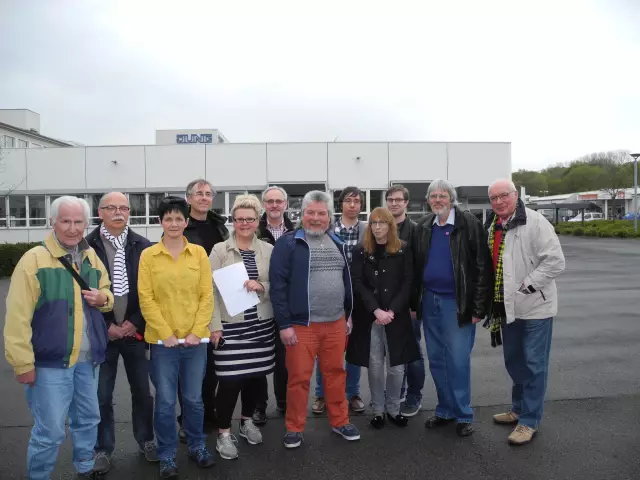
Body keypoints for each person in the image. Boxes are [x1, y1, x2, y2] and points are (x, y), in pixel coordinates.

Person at [4, 196, 114, 479]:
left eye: (78, 221)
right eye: (65, 220)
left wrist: (103, 298)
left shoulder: (91, 257)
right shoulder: (34, 260)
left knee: (89, 420)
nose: (72, 228)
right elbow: (17, 318)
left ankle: (85, 467)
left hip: (87, 362)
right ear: (52, 222)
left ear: (87, 223)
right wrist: (22, 363)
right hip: (49, 364)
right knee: (50, 431)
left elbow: (107, 294)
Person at [270, 190, 361, 449]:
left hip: (335, 323)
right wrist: (284, 325)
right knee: (299, 379)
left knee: (335, 374)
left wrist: (348, 314)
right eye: (311, 213)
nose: (316, 218)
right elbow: (278, 286)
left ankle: (340, 421)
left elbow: (347, 281)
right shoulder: (288, 244)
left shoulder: (337, 241)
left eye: (322, 213)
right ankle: (294, 427)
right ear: (302, 215)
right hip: (302, 326)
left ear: (329, 216)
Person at [138, 197, 217, 479]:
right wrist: (166, 334)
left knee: (194, 400)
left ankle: (197, 446)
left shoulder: (198, 254)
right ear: (161, 222)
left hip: (196, 343)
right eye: (168, 219)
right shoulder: (149, 256)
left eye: (178, 219)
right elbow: (146, 298)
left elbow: (206, 296)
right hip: (163, 345)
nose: (173, 223)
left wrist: (197, 332)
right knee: (166, 402)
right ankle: (167, 455)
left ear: (186, 222)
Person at [485, 179, 565, 446]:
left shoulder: (535, 222)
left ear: (515, 195)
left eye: (503, 196)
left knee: (534, 364)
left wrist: (528, 286)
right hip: (508, 308)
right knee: (515, 361)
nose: (498, 201)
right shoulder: (494, 226)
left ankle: (529, 421)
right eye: (493, 198)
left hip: (535, 307)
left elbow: (555, 261)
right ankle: (518, 408)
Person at [412, 179, 493, 437]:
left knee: (457, 361)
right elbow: (415, 269)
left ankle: (463, 413)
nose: (438, 200)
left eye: (442, 195)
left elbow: (482, 267)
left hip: (457, 305)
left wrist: (479, 307)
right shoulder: (424, 226)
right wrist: (415, 303)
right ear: (428, 200)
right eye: (433, 196)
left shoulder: (469, 223)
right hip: (430, 301)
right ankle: (445, 410)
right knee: (437, 360)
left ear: (451, 198)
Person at [86, 192, 156, 473]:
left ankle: (146, 440)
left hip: (134, 332)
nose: (118, 212)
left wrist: (135, 323)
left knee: (142, 392)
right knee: (102, 394)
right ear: (100, 212)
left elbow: (151, 291)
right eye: (111, 208)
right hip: (102, 335)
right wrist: (107, 327)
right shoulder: (85, 246)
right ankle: (102, 448)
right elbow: (81, 292)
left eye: (123, 208)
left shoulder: (143, 246)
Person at [209, 194, 277, 460]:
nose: (245, 223)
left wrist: (262, 286)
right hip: (230, 327)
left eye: (250, 219)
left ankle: (246, 421)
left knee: (255, 378)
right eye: (239, 219)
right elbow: (209, 291)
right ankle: (224, 434)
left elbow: (278, 284)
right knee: (229, 381)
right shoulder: (218, 251)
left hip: (261, 326)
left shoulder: (270, 251)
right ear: (233, 221)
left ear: (257, 220)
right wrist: (214, 327)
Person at [346, 207, 419, 429]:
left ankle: (393, 409)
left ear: (390, 225)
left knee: (396, 366)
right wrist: (376, 310)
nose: (377, 227)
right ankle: (378, 410)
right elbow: (356, 282)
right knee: (375, 364)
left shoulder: (403, 249)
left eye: (382, 223)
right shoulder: (361, 250)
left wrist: (392, 310)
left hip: (395, 317)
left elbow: (408, 282)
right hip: (371, 317)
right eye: (373, 223)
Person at [177, 179, 229, 440]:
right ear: (188, 198)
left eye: (209, 194)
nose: (204, 198)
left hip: (216, 301)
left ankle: (209, 413)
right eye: (199, 193)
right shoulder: (180, 225)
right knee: (189, 367)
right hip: (189, 303)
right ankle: (187, 419)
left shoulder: (220, 226)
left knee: (211, 366)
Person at [313, 186, 366, 415]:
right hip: (332, 294)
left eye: (357, 201)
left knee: (353, 348)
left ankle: (352, 393)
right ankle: (321, 394)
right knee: (326, 348)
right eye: (348, 200)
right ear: (341, 204)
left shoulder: (367, 230)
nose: (352, 205)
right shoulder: (328, 228)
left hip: (359, 296)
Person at [253, 185, 294, 425]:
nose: (275, 205)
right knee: (259, 358)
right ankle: (259, 406)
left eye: (279, 201)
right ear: (263, 205)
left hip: (285, 303)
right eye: (270, 201)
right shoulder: (252, 229)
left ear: (286, 205)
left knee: (284, 359)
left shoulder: (296, 231)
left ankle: (284, 402)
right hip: (258, 302)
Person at [385, 185, 424, 418]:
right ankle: (397, 391)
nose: (394, 203)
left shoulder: (417, 231)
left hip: (408, 304)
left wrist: (414, 305)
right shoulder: (382, 229)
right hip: (387, 304)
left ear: (406, 203)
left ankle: (414, 395)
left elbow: (419, 271)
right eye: (390, 199)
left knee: (413, 352)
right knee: (393, 352)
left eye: (399, 200)